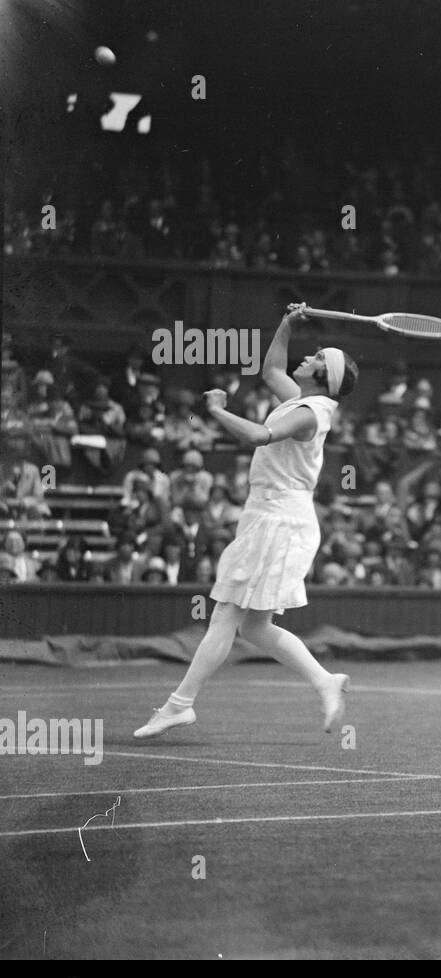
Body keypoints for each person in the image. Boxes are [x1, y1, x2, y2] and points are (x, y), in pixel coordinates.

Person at [134, 303, 359, 739]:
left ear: (324, 375)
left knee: (226, 615)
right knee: (255, 626)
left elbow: (258, 435)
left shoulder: (312, 412)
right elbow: (271, 369)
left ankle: (179, 705)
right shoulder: (300, 398)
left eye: (316, 358)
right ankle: (324, 682)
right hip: (268, 514)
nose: (306, 358)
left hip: (281, 518)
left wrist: (216, 411)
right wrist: (286, 324)